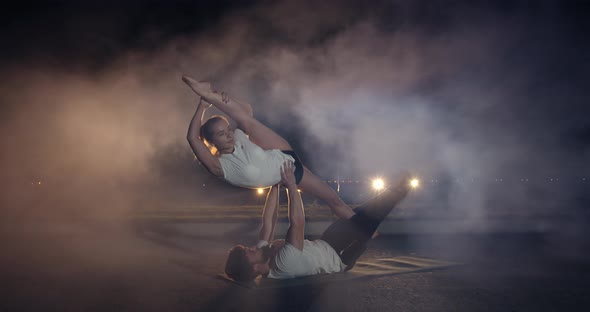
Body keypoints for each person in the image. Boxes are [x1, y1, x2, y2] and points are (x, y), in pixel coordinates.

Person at [183, 75, 354, 219]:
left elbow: (247, 110)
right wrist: (202, 107)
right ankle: (364, 231)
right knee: (334, 201)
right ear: (211, 143)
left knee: (246, 119)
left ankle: (211, 93)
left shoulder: (238, 138)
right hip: (292, 173)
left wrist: (227, 98)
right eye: (221, 134)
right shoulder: (220, 167)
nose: (229, 134)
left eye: (228, 129)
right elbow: (192, 138)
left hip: (280, 151)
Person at [224, 161, 411, 281]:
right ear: (255, 267)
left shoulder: (263, 252)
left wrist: (274, 185)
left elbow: (268, 221)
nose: (252, 247)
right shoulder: (283, 264)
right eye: (248, 252)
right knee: (373, 213)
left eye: (247, 248)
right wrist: (290, 185)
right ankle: (402, 188)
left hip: (327, 240)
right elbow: (297, 223)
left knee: (361, 214)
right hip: (340, 256)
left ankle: (377, 220)